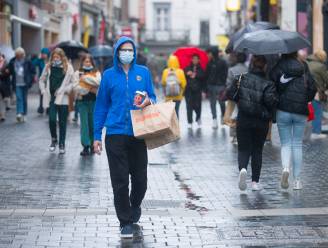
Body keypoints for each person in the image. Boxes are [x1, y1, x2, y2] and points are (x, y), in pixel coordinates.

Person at [93, 36, 156, 238]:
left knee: (141, 180)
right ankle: (125, 221)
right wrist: (96, 135)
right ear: (117, 52)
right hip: (115, 134)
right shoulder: (109, 75)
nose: (127, 53)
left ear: (135, 52)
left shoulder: (143, 73)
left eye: (130, 50)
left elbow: (153, 97)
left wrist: (147, 100)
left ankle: (134, 204)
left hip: (138, 133)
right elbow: (101, 106)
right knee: (119, 181)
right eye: (123, 50)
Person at [227, 55, 278, 191]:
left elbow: (230, 94)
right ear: (265, 66)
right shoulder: (269, 83)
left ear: (252, 64)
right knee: (257, 150)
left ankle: (243, 169)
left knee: (243, 149)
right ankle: (255, 182)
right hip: (261, 121)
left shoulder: (241, 78)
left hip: (244, 118)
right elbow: (270, 101)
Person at [271, 52, 316, 190]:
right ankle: (297, 181)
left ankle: (285, 168)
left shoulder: (278, 67)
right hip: (300, 110)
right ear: (296, 53)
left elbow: (272, 86)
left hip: (282, 109)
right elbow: (312, 88)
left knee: (285, 143)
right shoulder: (304, 66)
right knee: (297, 144)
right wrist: (305, 98)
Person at [39, 48, 75, 154]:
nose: (56, 59)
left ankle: (62, 143)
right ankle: (54, 139)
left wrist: (66, 89)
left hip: (63, 97)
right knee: (52, 120)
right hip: (51, 98)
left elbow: (73, 82)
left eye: (58, 57)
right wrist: (42, 90)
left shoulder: (68, 67)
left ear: (62, 57)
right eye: (54, 57)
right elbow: (42, 79)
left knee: (63, 122)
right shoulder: (48, 66)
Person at [73, 54, 101, 156]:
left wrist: (85, 79)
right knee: (84, 125)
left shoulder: (96, 72)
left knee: (92, 123)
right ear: (82, 62)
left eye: (89, 61)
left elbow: (99, 82)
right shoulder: (77, 73)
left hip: (94, 102)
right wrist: (89, 88)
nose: (87, 63)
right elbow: (76, 87)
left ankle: (92, 146)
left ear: (92, 62)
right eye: (86, 61)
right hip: (82, 102)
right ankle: (85, 145)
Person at [224, 52, 248, 144]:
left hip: (234, 95)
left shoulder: (232, 69)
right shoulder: (248, 69)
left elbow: (228, 83)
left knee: (234, 114)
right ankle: (244, 134)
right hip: (246, 95)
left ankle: (234, 136)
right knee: (244, 114)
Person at [8, 47, 36, 122]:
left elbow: (33, 71)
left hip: (25, 83)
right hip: (16, 83)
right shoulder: (12, 61)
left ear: (23, 54)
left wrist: (30, 79)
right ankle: (19, 113)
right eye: (17, 55)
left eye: (20, 55)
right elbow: (9, 71)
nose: (19, 56)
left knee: (24, 99)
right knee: (19, 98)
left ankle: (24, 114)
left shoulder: (27, 61)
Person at [306, 50, 328, 139]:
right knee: (317, 111)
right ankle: (316, 132)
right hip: (316, 92)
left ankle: (308, 132)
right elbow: (326, 79)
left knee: (309, 111)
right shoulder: (320, 66)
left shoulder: (306, 63)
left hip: (305, 91)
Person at [205, 46, 228, 129]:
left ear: (213, 53)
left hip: (220, 86)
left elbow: (225, 74)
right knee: (212, 104)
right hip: (211, 86)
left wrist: (223, 83)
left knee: (221, 103)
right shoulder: (209, 63)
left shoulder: (222, 62)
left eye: (209, 53)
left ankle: (222, 116)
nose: (208, 55)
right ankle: (214, 119)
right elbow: (207, 75)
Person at [184, 54, 205, 129]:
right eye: (194, 59)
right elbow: (183, 76)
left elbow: (203, 77)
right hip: (188, 90)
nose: (195, 60)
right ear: (191, 60)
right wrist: (187, 74)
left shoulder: (201, 68)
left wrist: (196, 75)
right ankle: (190, 122)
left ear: (199, 60)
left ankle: (198, 118)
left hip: (197, 90)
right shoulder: (187, 68)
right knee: (189, 106)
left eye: (196, 59)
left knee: (197, 105)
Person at [35, 48, 50, 114]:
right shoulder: (40, 61)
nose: (44, 55)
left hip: (49, 80)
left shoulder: (50, 61)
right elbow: (33, 64)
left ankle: (48, 108)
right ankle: (41, 107)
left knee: (49, 94)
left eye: (45, 54)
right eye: (43, 54)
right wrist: (38, 58)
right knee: (42, 93)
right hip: (42, 80)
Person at [0, 54, 11, 121]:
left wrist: (1, 74)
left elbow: (8, 74)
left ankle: (2, 115)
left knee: (1, 101)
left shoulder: (6, 64)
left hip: (3, 85)